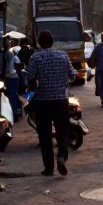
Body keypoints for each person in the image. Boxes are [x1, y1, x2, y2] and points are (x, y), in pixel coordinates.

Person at [23, 31, 77, 176]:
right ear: (52, 42)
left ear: (39, 43)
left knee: (44, 135)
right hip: (61, 100)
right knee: (62, 131)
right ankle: (61, 157)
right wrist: (64, 83)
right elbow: (72, 75)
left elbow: (29, 78)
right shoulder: (63, 56)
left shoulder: (36, 57)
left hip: (42, 102)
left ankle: (49, 167)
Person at [2, 37, 22, 119]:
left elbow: (18, 68)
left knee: (13, 96)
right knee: (11, 96)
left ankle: (13, 113)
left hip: (13, 78)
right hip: (10, 77)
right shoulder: (9, 58)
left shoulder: (14, 58)